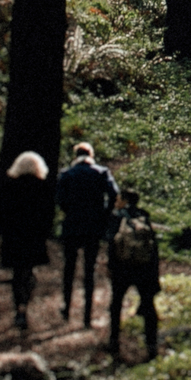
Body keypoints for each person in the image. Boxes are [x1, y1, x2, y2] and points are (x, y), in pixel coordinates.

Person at [53, 140, 119, 328]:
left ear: (76, 156)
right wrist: (104, 214)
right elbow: (114, 193)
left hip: (72, 224)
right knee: (89, 270)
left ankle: (66, 308)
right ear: (91, 156)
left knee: (69, 268)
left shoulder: (67, 174)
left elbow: (59, 198)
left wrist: (68, 210)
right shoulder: (101, 172)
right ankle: (87, 315)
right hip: (93, 226)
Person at [0, 149, 55, 333]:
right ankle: (24, 304)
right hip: (33, 235)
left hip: (14, 235)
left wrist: (1, 231)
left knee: (17, 271)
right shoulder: (42, 186)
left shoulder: (8, 185)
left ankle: (19, 305)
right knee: (27, 270)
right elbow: (48, 213)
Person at [107, 187, 163, 359]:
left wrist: (111, 266)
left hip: (122, 267)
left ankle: (114, 342)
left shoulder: (116, 217)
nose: (116, 202)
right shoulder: (144, 216)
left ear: (124, 200)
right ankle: (152, 346)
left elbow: (112, 242)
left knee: (116, 303)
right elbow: (153, 247)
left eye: (118, 199)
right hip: (143, 268)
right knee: (148, 305)